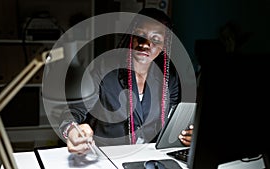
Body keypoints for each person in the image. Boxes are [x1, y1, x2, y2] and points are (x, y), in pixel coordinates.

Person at [59, 8, 194, 155]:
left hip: (150, 155)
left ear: (163, 47)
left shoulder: (169, 77)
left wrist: (185, 134)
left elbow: (173, 120)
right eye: (139, 35)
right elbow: (73, 112)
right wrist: (72, 130)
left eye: (155, 39)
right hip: (108, 155)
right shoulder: (104, 68)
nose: (145, 44)